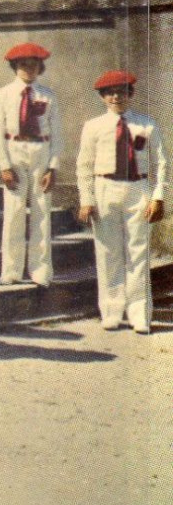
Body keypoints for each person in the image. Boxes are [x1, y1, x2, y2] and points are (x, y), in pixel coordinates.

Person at [76, 70, 166, 334]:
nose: (116, 97)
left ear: (131, 94)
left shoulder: (146, 125)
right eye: (110, 92)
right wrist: (86, 199)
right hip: (105, 189)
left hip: (138, 189)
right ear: (103, 97)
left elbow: (162, 163)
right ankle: (112, 311)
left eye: (122, 91)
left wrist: (158, 196)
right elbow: (84, 165)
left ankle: (140, 315)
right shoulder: (93, 126)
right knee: (108, 253)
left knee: (138, 253)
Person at [0, 43, 61, 287]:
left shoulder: (48, 96)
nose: (28, 70)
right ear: (14, 67)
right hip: (14, 150)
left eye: (33, 65)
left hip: (40, 151)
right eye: (22, 65)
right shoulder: (4, 94)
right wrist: (4, 166)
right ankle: (10, 270)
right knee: (13, 212)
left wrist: (52, 167)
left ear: (40, 68)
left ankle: (40, 270)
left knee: (41, 212)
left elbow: (57, 134)